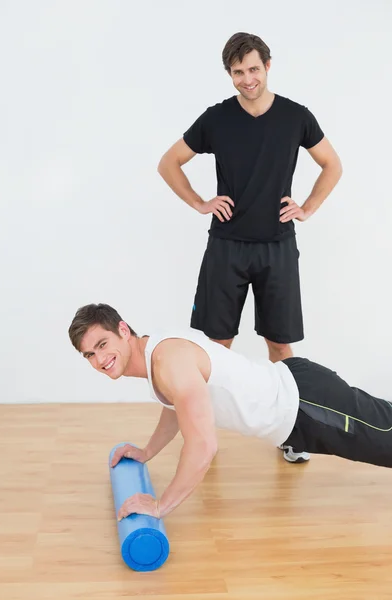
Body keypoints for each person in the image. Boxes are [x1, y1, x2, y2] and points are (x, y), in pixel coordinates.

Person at [157, 32, 343, 463]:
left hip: (277, 247)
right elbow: (169, 162)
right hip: (226, 246)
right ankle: (202, 435)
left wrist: (308, 207)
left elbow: (332, 164)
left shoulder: (296, 117)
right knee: (214, 346)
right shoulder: (216, 119)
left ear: (268, 66)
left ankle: (293, 434)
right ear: (229, 74)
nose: (247, 80)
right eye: (238, 73)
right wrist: (201, 203)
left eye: (253, 70)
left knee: (279, 345)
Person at [69, 303, 392, 522]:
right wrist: (147, 451)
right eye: (89, 355)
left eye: (102, 344)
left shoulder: (169, 361)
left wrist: (160, 505)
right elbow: (176, 406)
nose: (99, 359)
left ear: (123, 330)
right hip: (296, 398)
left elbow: (204, 445)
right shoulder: (158, 355)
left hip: (305, 404)